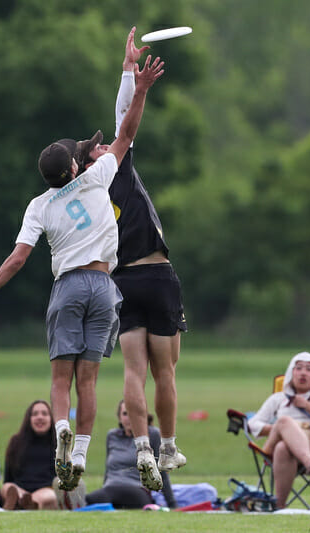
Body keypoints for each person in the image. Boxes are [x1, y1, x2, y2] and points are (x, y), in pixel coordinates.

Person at [0, 48, 165, 492]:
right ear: (74, 167)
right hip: (105, 286)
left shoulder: (39, 205)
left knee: (60, 379)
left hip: (68, 286)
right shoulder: (95, 178)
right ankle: (82, 455)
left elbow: (17, 259)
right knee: (88, 379)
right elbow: (127, 130)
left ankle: (61, 435)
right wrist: (140, 87)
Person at [73, 26, 187, 492]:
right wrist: (130, 76)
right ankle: (168, 447)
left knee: (134, 372)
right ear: (90, 160)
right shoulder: (112, 168)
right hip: (156, 275)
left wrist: (126, 68)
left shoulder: (75, 197)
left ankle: (141, 445)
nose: (107, 145)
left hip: (119, 283)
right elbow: (126, 120)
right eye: (97, 147)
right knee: (166, 369)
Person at [247, 352, 310, 509]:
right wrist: (278, 429)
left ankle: (280, 506)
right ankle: (309, 462)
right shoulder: (278, 398)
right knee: (284, 421)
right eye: (299, 368)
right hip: (276, 446)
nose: (303, 373)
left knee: (283, 448)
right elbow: (252, 424)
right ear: (291, 373)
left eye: (309, 369)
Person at [85, 400, 176, 509]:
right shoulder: (112, 436)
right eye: (125, 414)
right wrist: (104, 487)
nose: (130, 418)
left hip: (137, 489)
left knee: (98, 499)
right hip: (111, 487)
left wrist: (172, 503)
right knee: (90, 500)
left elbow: (162, 473)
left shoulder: (153, 434)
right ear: (119, 417)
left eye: (134, 413)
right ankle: (69, 498)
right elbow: (108, 470)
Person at [1, 400, 58, 510]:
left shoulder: (59, 445)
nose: (40, 417)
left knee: (51, 495)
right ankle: (21, 501)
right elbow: (8, 478)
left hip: (47, 489)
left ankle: (24, 504)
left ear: (51, 419)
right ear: (28, 419)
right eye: (35, 414)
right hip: (20, 489)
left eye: (44, 414)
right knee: (7, 487)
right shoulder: (16, 442)